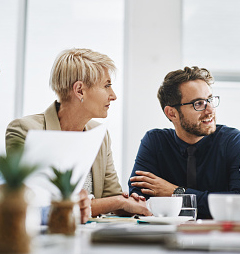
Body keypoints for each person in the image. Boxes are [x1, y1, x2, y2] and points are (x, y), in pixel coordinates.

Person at [5, 48, 151, 217]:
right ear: (80, 90)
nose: (113, 95)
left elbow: (112, 197)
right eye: (107, 86)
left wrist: (128, 203)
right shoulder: (25, 130)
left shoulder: (100, 134)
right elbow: (32, 204)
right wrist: (118, 202)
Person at [128, 66, 240, 219]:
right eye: (198, 104)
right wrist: (210, 202)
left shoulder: (233, 141)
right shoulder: (154, 142)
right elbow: (139, 201)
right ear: (172, 113)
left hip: (221, 238)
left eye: (210, 100)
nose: (210, 110)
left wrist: (175, 192)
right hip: (166, 238)